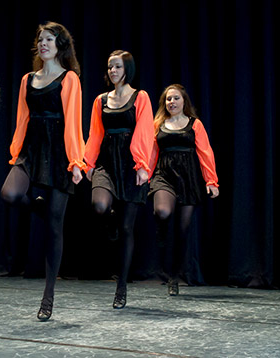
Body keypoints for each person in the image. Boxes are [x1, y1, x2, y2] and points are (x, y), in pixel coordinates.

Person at [0, 21, 85, 321]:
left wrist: (77, 161)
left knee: (54, 227)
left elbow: (74, 121)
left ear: (60, 45)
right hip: (31, 148)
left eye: (49, 39)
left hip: (59, 150)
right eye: (40, 39)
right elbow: (22, 118)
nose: (43, 44)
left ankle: (48, 296)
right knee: (10, 193)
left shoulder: (69, 78)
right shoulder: (27, 79)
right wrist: (15, 154)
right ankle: (37, 207)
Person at [84, 50, 154, 309]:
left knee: (127, 229)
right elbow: (94, 133)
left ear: (127, 69)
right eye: (110, 67)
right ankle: (110, 218)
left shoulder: (140, 97)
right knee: (99, 206)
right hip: (106, 162)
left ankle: (121, 286)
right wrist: (88, 162)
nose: (112, 71)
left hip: (131, 162)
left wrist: (142, 165)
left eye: (117, 67)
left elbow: (145, 131)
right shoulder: (100, 100)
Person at [149, 84, 219, 296]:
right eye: (168, 99)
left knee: (182, 231)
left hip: (188, 178)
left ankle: (174, 276)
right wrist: (145, 173)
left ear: (183, 101)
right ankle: (161, 227)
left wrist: (211, 181)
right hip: (164, 175)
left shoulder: (194, 124)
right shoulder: (158, 124)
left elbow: (205, 153)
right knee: (162, 211)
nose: (172, 102)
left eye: (176, 98)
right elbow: (151, 152)